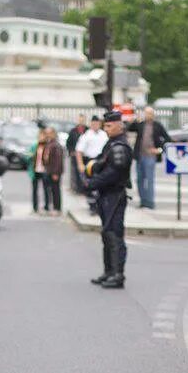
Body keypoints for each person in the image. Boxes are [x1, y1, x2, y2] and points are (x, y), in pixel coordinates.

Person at [84, 111, 132, 289]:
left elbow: (114, 173)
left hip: (115, 194)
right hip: (106, 194)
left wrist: (92, 183)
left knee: (114, 234)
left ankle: (118, 274)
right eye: (105, 126)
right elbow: (103, 164)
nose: (106, 129)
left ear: (120, 125)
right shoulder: (111, 143)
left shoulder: (119, 146)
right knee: (106, 233)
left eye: (109, 126)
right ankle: (109, 271)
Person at [128, 107, 170, 209]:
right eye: (146, 113)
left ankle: (150, 202)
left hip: (151, 156)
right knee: (139, 179)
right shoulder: (140, 124)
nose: (148, 115)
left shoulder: (157, 126)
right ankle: (143, 201)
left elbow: (167, 138)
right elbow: (129, 128)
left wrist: (159, 150)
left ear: (153, 115)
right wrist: (134, 120)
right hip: (140, 156)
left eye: (150, 113)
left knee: (149, 179)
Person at [76, 115, 109, 213]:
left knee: (101, 183)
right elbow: (79, 151)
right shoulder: (86, 135)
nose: (95, 125)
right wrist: (80, 164)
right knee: (91, 184)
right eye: (93, 124)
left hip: (102, 161)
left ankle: (100, 204)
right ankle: (92, 206)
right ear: (91, 124)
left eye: (97, 123)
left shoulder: (104, 134)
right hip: (90, 162)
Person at [27, 128, 50, 214]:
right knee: (35, 190)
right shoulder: (34, 146)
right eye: (39, 136)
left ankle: (46, 207)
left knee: (46, 189)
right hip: (35, 170)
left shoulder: (47, 146)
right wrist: (30, 156)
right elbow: (27, 156)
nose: (41, 137)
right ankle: (35, 207)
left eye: (42, 136)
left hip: (44, 170)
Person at [43, 127, 65, 214]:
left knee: (55, 190)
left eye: (49, 133)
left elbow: (58, 160)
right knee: (49, 190)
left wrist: (56, 173)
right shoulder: (48, 143)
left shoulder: (56, 145)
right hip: (48, 170)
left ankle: (57, 208)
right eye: (46, 133)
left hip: (54, 172)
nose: (47, 135)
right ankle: (49, 207)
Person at [67, 115, 88, 193]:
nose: (81, 121)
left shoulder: (87, 130)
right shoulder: (73, 131)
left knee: (86, 172)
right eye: (80, 120)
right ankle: (77, 188)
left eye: (82, 120)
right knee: (76, 172)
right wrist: (71, 151)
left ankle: (85, 188)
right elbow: (68, 143)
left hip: (85, 155)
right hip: (75, 155)